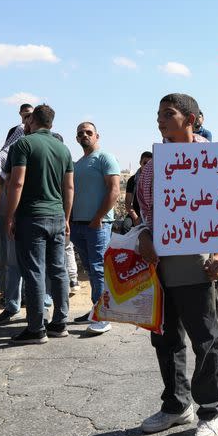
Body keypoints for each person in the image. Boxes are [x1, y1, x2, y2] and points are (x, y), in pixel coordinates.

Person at [135, 92, 218, 436]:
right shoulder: (152, 167)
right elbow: (146, 214)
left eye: (168, 113)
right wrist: (144, 235)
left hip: (197, 265)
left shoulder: (214, 160)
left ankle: (212, 412)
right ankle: (177, 405)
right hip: (158, 266)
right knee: (166, 338)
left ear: (191, 120)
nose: (160, 119)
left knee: (205, 339)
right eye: (158, 113)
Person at [5, 104, 74, 344]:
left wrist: (10, 216)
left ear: (31, 119)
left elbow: (16, 183)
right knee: (58, 270)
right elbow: (69, 187)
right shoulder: (63, 148)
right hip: (57, 216)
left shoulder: (23, 144)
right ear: (52, 123)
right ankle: (60, 323)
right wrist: (66, 218)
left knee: (34, 272)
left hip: (31, 217)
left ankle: (36, 328)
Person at [68, 122, 120, 335]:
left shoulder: (105, 158)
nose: (84, 135)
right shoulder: (78, 163)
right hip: (78, 224)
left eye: (88, 132)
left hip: (97, 224)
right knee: (91, 270)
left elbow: (114, 190)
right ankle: (95, 309)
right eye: (80, 133)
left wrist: (98, 218)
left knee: (98, 268)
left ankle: (104, 316)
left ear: (97, 135)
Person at [0, 104, 31, 325]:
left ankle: (24, 304)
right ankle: (15, 302)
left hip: (22, 214)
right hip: (16, 214)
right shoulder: (9, 155)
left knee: (16, 262)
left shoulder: (30, 150)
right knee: (12, 262)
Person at [124, 151, 152, 232]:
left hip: (151, 214)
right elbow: (128, 203)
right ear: (140, 163)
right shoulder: (133, 180)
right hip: (136, 213)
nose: (147, 166)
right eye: (145, 163)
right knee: (126, 226)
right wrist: (136, 218)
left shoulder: (155, 179)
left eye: (149, 164)